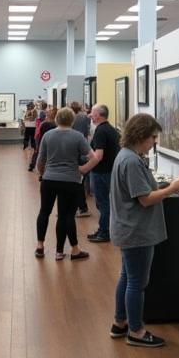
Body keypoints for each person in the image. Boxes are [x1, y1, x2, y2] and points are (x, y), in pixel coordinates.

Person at [110, 113, 179, 347]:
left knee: (127, 277)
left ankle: (120, 323)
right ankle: (136, 332)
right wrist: (173, 188)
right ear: (141, 135)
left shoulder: (125, 156)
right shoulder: (132, 161)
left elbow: (140, 190)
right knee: (137, 282)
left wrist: (165, 186)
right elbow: (145, 199)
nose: (155, 142)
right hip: (137, 232)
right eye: (153, 137)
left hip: (128, 229)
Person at [34, 107, 101, 261]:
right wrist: (83, 170)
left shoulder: (48, 136)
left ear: (57, 119)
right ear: (72, 120)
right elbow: (95, 158)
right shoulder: (77, 137)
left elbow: (40, 160)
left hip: (49, 180)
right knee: (65, 216)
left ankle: (40, 246)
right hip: (70, 181)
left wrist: (43, 174)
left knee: (44, 212)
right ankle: (60, 252)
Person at [87, 104, 120, 243]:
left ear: (99, 115)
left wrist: (85, 164)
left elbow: (98, 156)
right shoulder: (111, 129)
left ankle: (104, 232)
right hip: (110, 171)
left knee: (103, 203)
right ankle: (105, 229)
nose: (90, 115)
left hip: (101, 172)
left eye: (93, 113)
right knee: (106, 202)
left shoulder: (100, 131)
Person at [70, 101, 92, 216]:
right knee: (79, 182)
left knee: (76, 182)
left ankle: (79, 208)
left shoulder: (72, 119)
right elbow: (88, 132)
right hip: (83, 150)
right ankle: (81, 207)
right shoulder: (85, 118)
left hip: (75, 152)